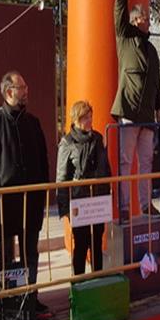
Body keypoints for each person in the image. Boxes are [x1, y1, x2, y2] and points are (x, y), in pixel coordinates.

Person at [0, 71, 50, 315]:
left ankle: (30, 300)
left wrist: (41, 194)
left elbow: (43, 161)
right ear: (9, 92)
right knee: (1, 258)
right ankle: (1, 305)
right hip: (4, 206)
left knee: (30, 255)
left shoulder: (33, 123)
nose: (27, 90)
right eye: (22, 87)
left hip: (31, 205)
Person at [111, 0, 160, 220]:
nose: (148, 19)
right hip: (129, 115)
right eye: (144, 17)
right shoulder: (124, 38)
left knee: (146, 164)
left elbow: (157, 82)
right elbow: (119, 6)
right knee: (125, 162)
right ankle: (122, 207)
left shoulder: (152, 49)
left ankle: (145, 205)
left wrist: (159, 109)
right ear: (135, 20)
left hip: (148, 118)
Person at [56, 101, 111, 275]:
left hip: (98, 199)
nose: (90, 120)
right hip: (80, 201)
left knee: (97, 242)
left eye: (90, 116)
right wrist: (64, 207)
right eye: (86, 117)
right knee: (81, 243)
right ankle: (79, 283)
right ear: (77, 119)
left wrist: (108, 192)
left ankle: (98, 279)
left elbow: (106, 168)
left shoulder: (97, 137)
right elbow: (62, 176)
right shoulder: (67, 142)